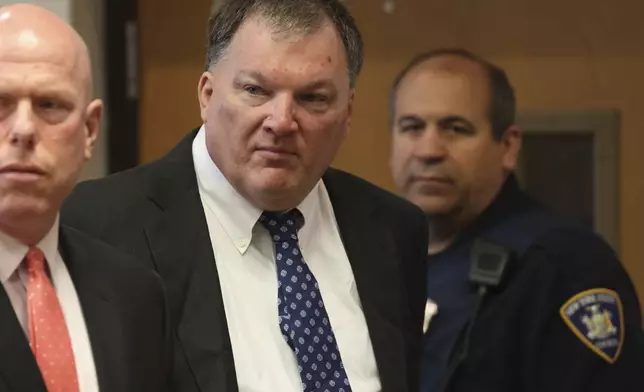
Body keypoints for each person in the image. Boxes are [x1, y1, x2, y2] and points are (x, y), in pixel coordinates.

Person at [61, 0, 429, 391]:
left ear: (348, 111)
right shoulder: (95, 227)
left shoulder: (394, 230)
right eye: (255, 90)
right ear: (207, 93)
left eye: (313, 98)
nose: (282, 121)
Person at [388, 47, 644, 392]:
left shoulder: (563, 264)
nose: (428, 150)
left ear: (508, 147)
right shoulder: (378, 258)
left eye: (455, 129)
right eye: (412, 127)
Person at [0, 3, 172, 392]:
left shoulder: (136, 296)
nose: (24, 129)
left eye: (50, 106)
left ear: (90, 130)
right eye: (0, 103)